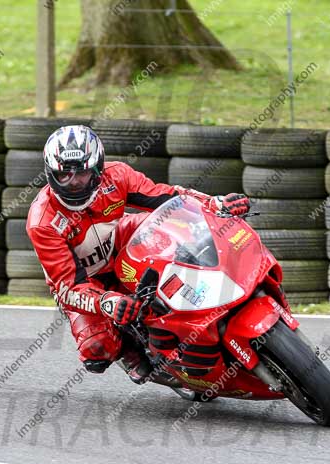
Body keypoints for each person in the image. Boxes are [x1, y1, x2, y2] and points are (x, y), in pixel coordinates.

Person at [27, 125, 250, 382]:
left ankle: (207, 284)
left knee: (169, 225)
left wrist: (214, 203)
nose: (75, 183)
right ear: (50, 173)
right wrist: (106, 302)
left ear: (98, 169)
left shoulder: (118, 176)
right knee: (96, 349)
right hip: (85, 281)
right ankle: (129, 350)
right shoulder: (42, 222)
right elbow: (67, 286)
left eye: (83, 174)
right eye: (64, 175)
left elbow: (165, 197)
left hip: (120, 240)